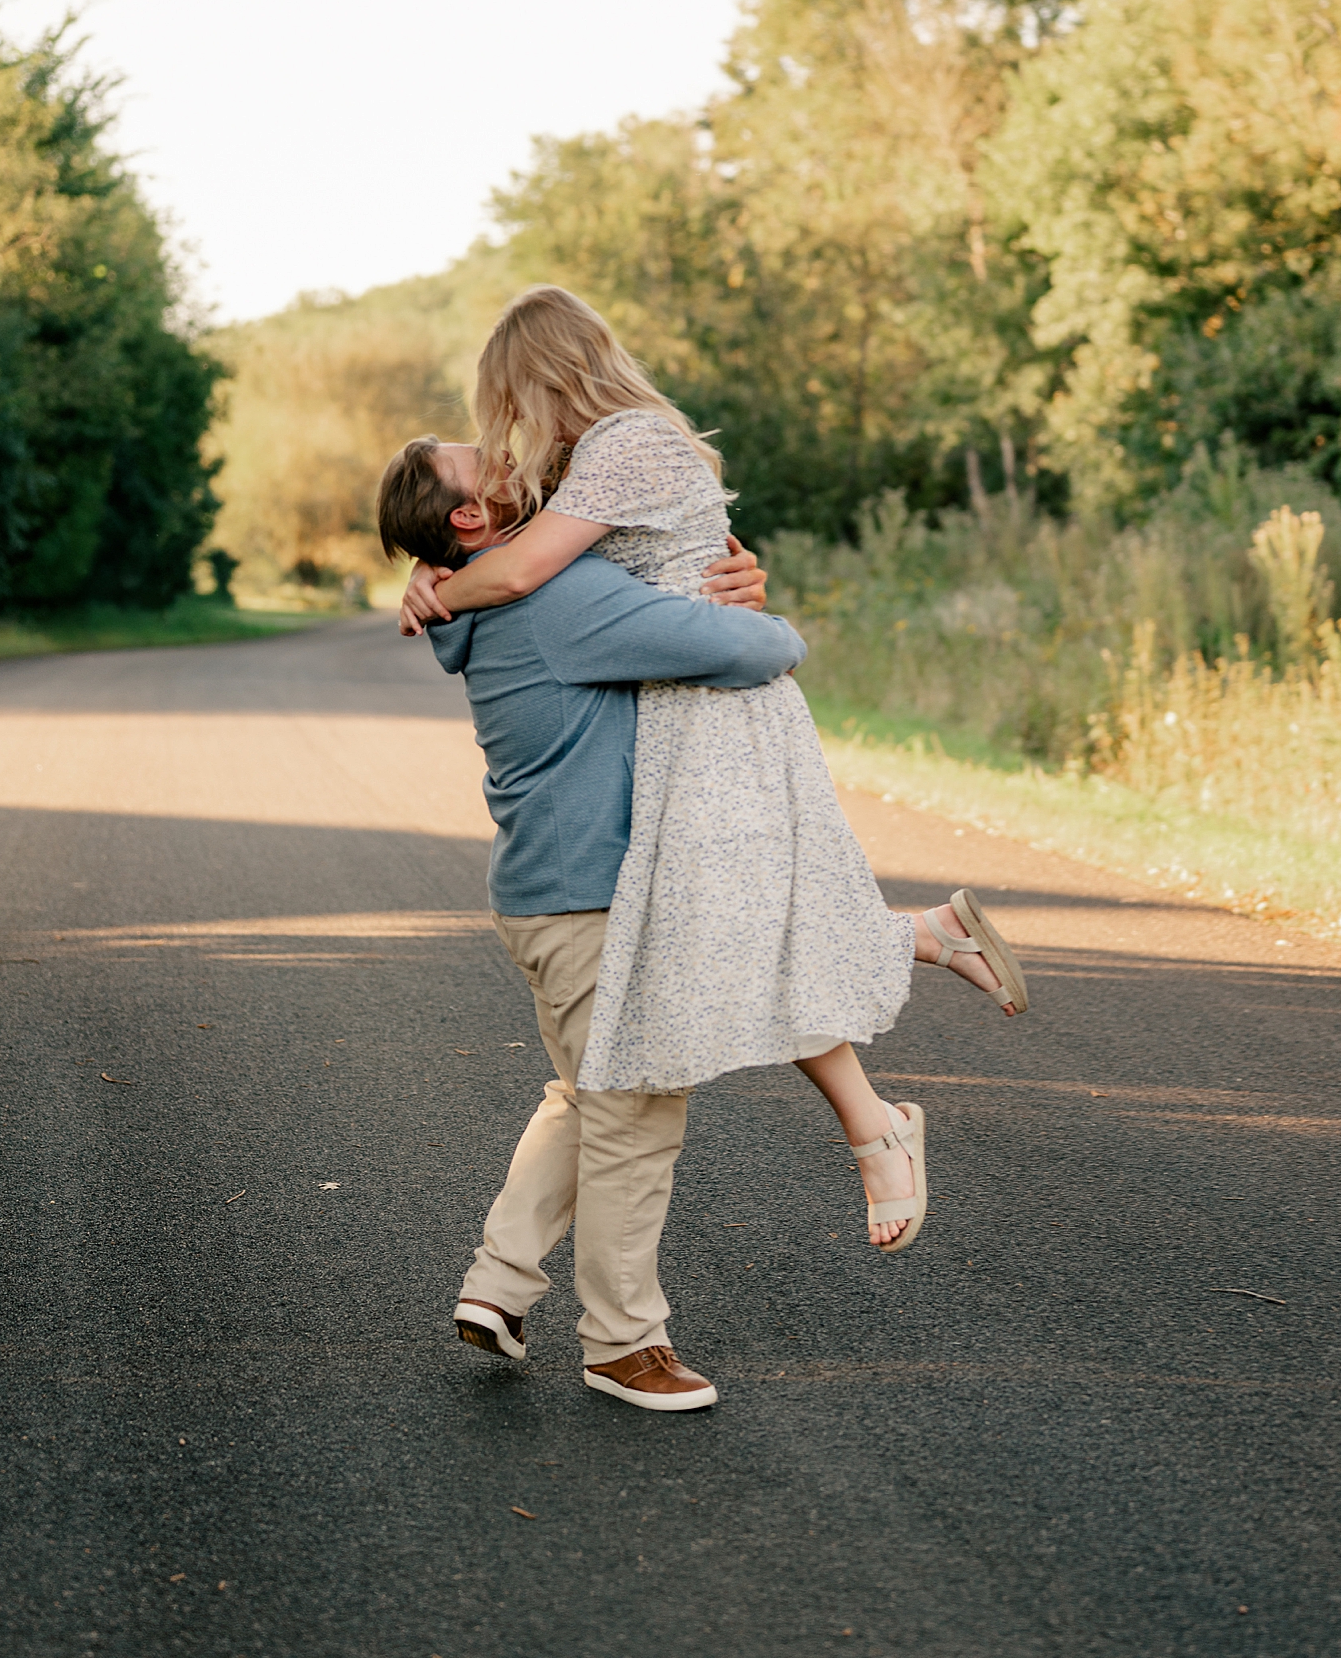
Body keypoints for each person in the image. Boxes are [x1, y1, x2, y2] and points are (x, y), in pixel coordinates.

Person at [398, 288, 1029, 1263]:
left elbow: (524, 575)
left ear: (546, 376)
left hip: (715, 703)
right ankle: (918, 971)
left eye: (508, 403)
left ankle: (880, 1124)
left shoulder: (628, 443)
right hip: (678, 701)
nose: (506, 430)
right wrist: (431, 571)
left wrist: (437, 591)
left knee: (738, 930)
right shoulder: (587, 463)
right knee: (737, 926)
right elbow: (560, 560)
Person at [377, 433, 804, 1411]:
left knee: (587, 1094)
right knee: (638, 1113)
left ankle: (500, 1279)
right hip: (589, 901)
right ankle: (622, 1343)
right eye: (482, 455)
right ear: (470, 521)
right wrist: (758, 612)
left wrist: (721, 577)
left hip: (547, 896)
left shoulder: (503, 590)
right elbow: (751, 652)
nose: (508, 446)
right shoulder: (556, 599)